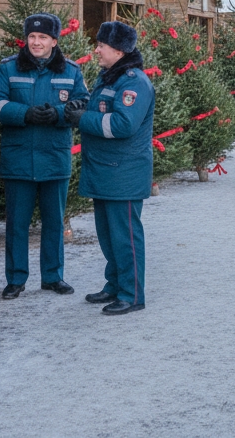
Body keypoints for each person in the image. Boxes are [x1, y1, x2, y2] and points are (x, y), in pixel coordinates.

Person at [0, 13, 89, 300]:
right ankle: (16, 279)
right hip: (19, 159)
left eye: (43, 38)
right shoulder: (8, 68)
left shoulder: (71, 72)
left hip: (53, 158)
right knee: (17, 224)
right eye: (32, 37)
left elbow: (83, 104)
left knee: (54, 222)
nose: (36, 42)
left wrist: (57, 115)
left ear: (54, 41)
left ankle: (52, 276)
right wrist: (25, 113)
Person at [67, 21, 154, 315]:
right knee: (107, 234)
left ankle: (132, 294)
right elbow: (98, 110)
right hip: (105, 170)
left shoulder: (134, 82)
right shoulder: (109, 78)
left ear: (117, 50)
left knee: (125, 235)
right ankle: (115, 284)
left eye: (101, 45)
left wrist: (83, 120)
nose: (97, 50)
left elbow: (123, 124)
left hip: (123, 173)